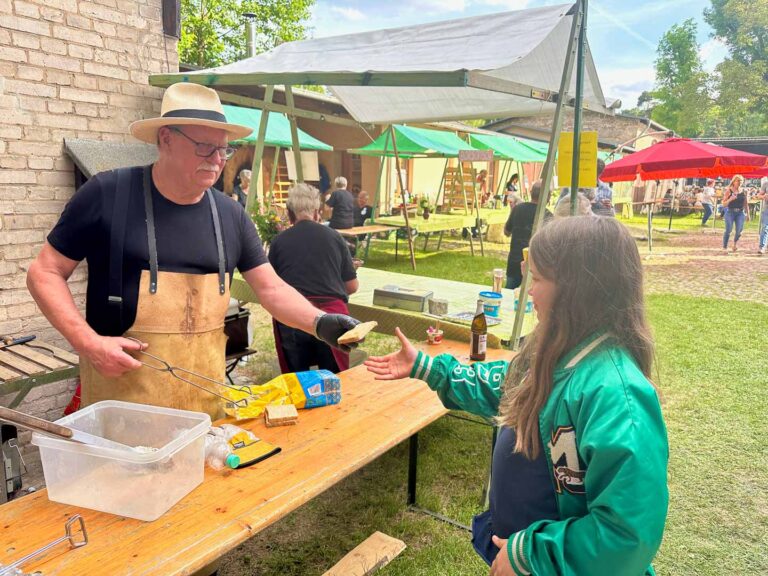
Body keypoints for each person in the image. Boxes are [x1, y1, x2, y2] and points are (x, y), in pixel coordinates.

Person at [26, 83, 361, 420]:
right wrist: (87, 342)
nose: (218, 160)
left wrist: (320, 323)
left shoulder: (231, 215)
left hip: (204, 411)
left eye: (224, 150)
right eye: (204, 147)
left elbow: (271, 288)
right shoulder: (107, 195)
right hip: (121, 412)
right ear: (165, 139)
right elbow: (45, 273)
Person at [365, 216, 668, 575]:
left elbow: (626, 536)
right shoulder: (556, 350)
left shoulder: (616, 395)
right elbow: (506, 388)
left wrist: (532, 554)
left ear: (577, 290)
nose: (528, 289)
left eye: (537, 278)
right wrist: (429, 368)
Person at [269, 184, 359, 373]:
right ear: (318, 212)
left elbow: (271, 286)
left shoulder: (279, 242)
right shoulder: (335, 237)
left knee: (297, 379)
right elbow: (352, 286)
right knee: (336, 380)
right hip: (331, 318)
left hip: (293, 317)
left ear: (290, 213)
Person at [504, 179, 551, 290]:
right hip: (535, 264)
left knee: (509, 294)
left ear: (530, 193)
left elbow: (506, 232)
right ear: (547, 197)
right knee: (531, 297)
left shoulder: (518, 209)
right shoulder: (548, 216)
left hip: (514, 261)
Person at [722, 174, 747, 253]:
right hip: (730, 212)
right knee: (728, 230)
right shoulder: (729, 190)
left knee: (739, 231)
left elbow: (746, 203)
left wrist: (748, 214)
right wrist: (730, 199)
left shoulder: (744, 191)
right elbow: (723, 204)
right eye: (738, 181)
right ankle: (724, 247)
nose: (740, 183)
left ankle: (734, 244)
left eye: (741, 181)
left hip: (740, 212)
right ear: (733, 182)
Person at [756, 176, 768, 255]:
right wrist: (764, 196)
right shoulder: (766, 184)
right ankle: (762, 247)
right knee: (764, 228)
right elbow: (759, 196)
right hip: (766, 209)